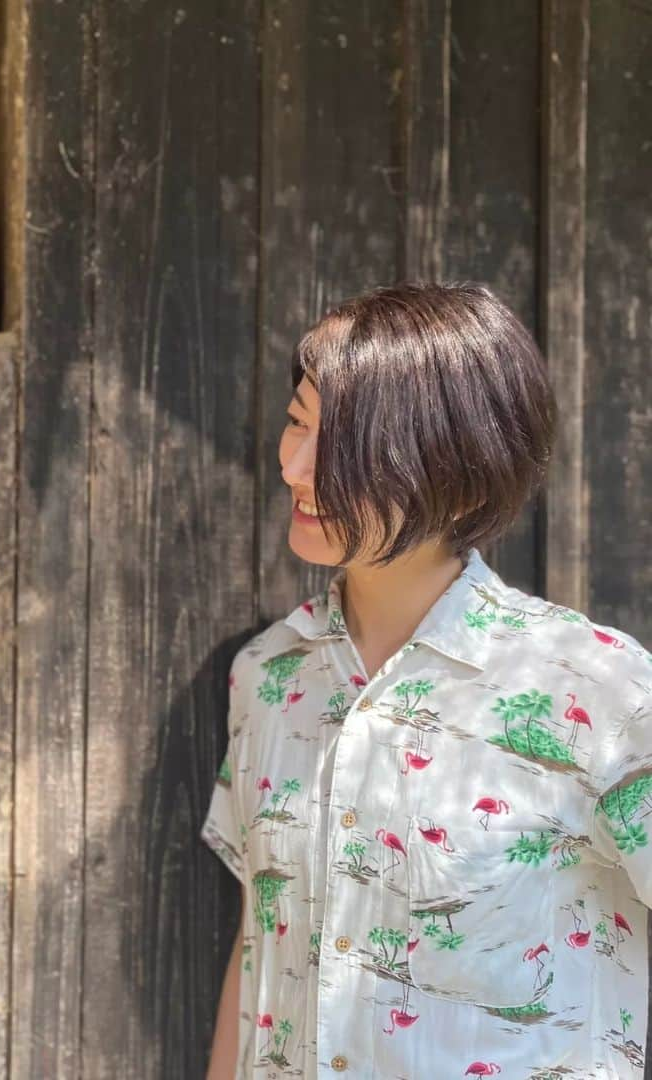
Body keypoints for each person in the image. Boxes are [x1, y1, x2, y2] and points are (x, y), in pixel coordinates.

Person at [203, 283, 652, 1078]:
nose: (294, 466)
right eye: (299, 424)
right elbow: (261, 952)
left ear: (463, 479)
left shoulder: (597, 691)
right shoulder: (269, 677)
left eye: (343, 447)